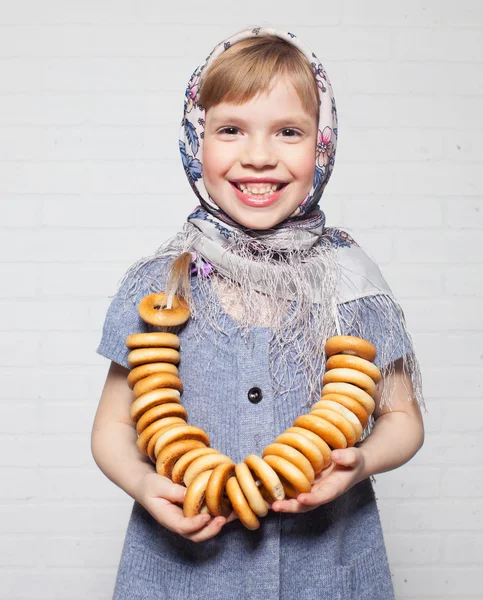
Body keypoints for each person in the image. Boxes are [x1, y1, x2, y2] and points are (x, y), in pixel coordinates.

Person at [91, 26, 426, 600]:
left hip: (325, 574)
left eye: (288, 132)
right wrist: (146, 485)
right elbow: (113, 428)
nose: (259, 156)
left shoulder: (354, 287)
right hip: (179, 576)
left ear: (321, 144)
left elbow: (403, 420)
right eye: (230, 130)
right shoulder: (160, 286)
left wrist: (362, 460)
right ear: (198, 142)